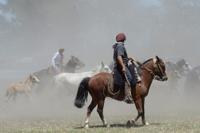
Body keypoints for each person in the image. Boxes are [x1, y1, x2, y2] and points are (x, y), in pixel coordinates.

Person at [113, 33, 141, 103]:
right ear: (123, 39)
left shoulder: (118, 45)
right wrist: (123, 66)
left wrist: (129, 58)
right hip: (121, 65)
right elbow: (119, 57)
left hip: (121, 64)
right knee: (129, 78)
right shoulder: (120, 46)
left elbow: (122, 57)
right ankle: (127, 96)